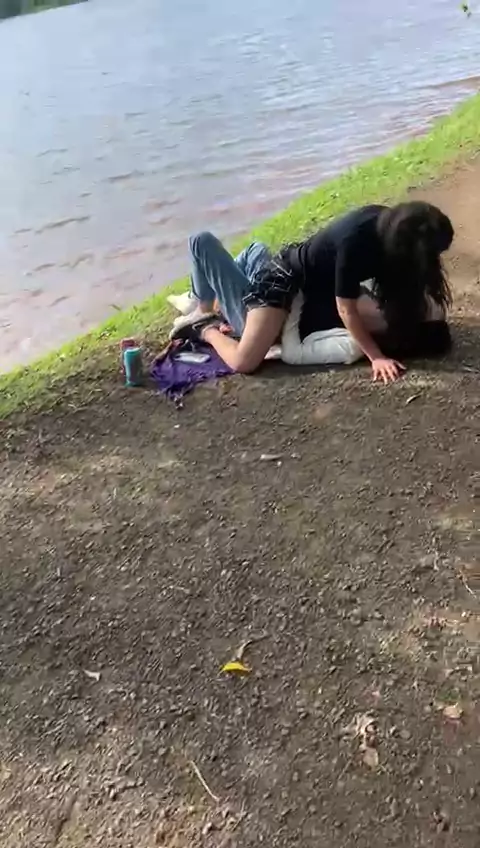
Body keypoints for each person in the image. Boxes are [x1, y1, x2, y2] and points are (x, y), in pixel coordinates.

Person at [171, 201, 454, 382]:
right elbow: (346, 309)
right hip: (282, 281)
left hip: (301, 276)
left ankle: (222, 294)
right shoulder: (356, 243)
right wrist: (376, 357)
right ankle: (203, 324)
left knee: (257, 252)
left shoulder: (389, 227)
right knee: (245, 361)